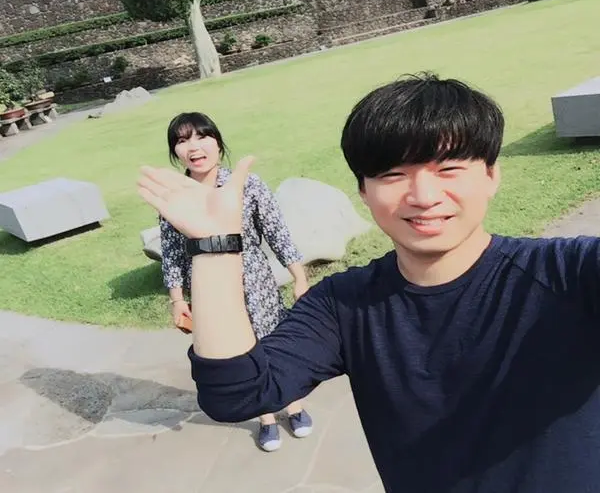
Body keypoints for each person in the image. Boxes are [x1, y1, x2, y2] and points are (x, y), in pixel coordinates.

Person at [137, 72, 600, 492]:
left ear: (491, 175)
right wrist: (215, 246)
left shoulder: (568, 273)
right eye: (393, 175)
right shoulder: (342, 306)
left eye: (448, 169)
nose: (424, 196)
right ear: (363, 190)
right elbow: (237, 394)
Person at [158, 111, 313, 452]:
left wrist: (299, 277)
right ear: (175, 152)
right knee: (238, 355)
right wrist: (178, 300)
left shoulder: (247, 183)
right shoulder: (175, 196)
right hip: (210, 289)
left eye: (202, 136)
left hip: (255, 282)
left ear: (218, 142)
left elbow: (276, 232)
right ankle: (266, 417)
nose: (193, 147)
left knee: (273, 345)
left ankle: (294, 405)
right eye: (182, 141)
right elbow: (171, 254)